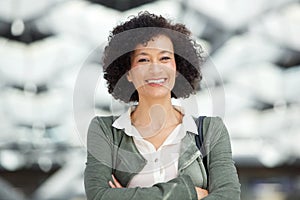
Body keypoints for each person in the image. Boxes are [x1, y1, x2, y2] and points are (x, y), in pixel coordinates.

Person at [84, 11, 240, 200]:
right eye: (143, 60)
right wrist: (188, 192)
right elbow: (99, 196)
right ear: (128, 73)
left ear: (177, 68)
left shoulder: (210, 130)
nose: (155, 68)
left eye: (165, 58)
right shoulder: (105, 131)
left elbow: (228, 196)